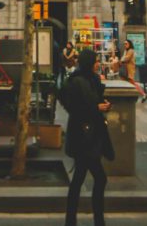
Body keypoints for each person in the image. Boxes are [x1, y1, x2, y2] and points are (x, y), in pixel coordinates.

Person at [63, 48, 114, 226]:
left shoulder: (90, 79)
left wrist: (103, 104)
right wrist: (97, 108)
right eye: (95, 62)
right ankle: (97, 221)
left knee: (79, 180)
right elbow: (75, 108)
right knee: (99, 178)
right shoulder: (78, 82)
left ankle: (73, 221)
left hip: (89, 136)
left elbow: (94, 100)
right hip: (84, 137)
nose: (98, 64)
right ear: (89, 63)